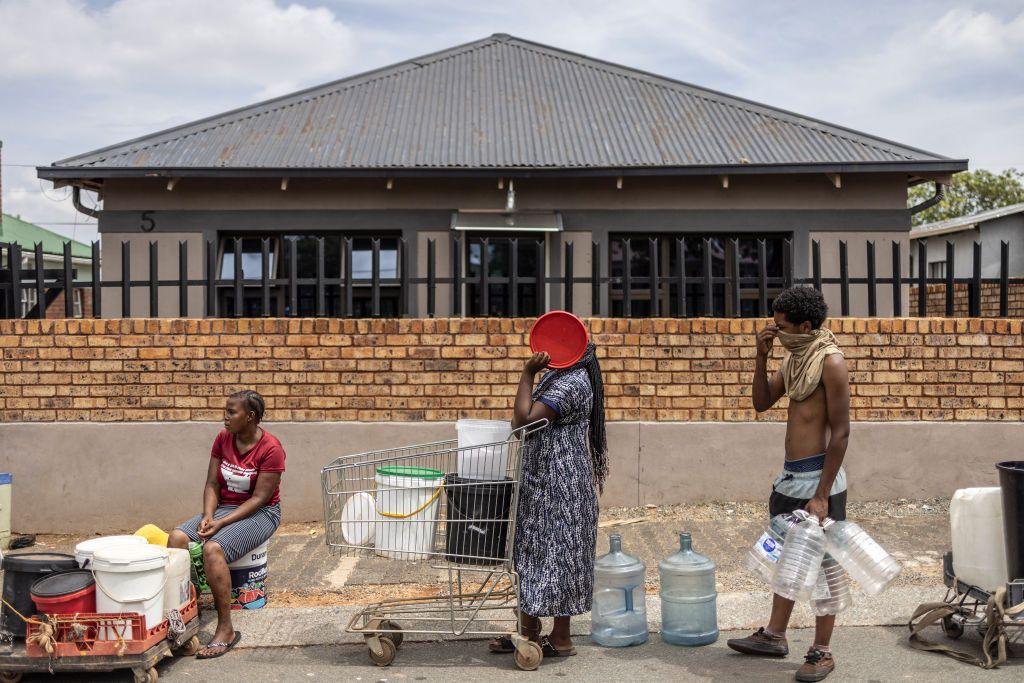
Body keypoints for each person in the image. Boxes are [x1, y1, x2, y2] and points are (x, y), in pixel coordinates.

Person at [726, 286, 850, 682]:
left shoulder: (830, 362)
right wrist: (761, 357)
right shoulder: (796, 360)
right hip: (790, 479)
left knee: (826, 567)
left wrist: (822, 495)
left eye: (781, 327)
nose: (775, 332)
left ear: (806, 326)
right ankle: (774, 635)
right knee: (786, 561)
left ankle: (822, 651)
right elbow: (761, 402)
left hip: (818, 482)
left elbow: (842, 433)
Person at [488, 340, 607, 660]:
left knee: (556, 561)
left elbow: (523, 424)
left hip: (560, 489)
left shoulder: (572, 382)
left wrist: (527, 374)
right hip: (545, 484)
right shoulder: (558, 377)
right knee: (533, 554)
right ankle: (527, 632)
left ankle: (560, 638)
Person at [168, 389, 285, 659]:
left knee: (213, 549)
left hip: (262, 513)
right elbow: (212, 483)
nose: (225, 417)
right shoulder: (223, 438)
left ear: (251, 417)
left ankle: (226, 629)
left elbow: (260, 498)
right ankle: (185, 616)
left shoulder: (271, 449)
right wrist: (209, 515)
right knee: (176, 539)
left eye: (232, 412)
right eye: (226, 410)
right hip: (223, 509)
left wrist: (220, 523)